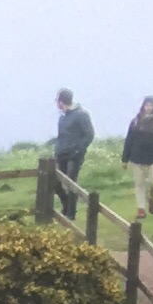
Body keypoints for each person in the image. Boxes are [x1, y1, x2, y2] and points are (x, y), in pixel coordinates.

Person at [123, 96, 153, 224]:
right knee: (139, 184)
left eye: (151, 105)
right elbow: (129, 140)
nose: (148, 108)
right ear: (143, 106)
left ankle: (152, 198)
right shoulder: (136, 121)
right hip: (137, 158)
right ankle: (141, 209)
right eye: (146, 105)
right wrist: (125, 158)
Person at [48, 92, 95, 222]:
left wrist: (78, 150)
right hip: (61, 154)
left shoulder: (81, 115)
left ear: (61, 101)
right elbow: (62, 136)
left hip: (74, 155)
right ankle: (66, 204)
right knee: (55, 181)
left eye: (57, 100)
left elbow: (89, 134)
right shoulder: (62, 117)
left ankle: (70, 214)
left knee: (71, 182)